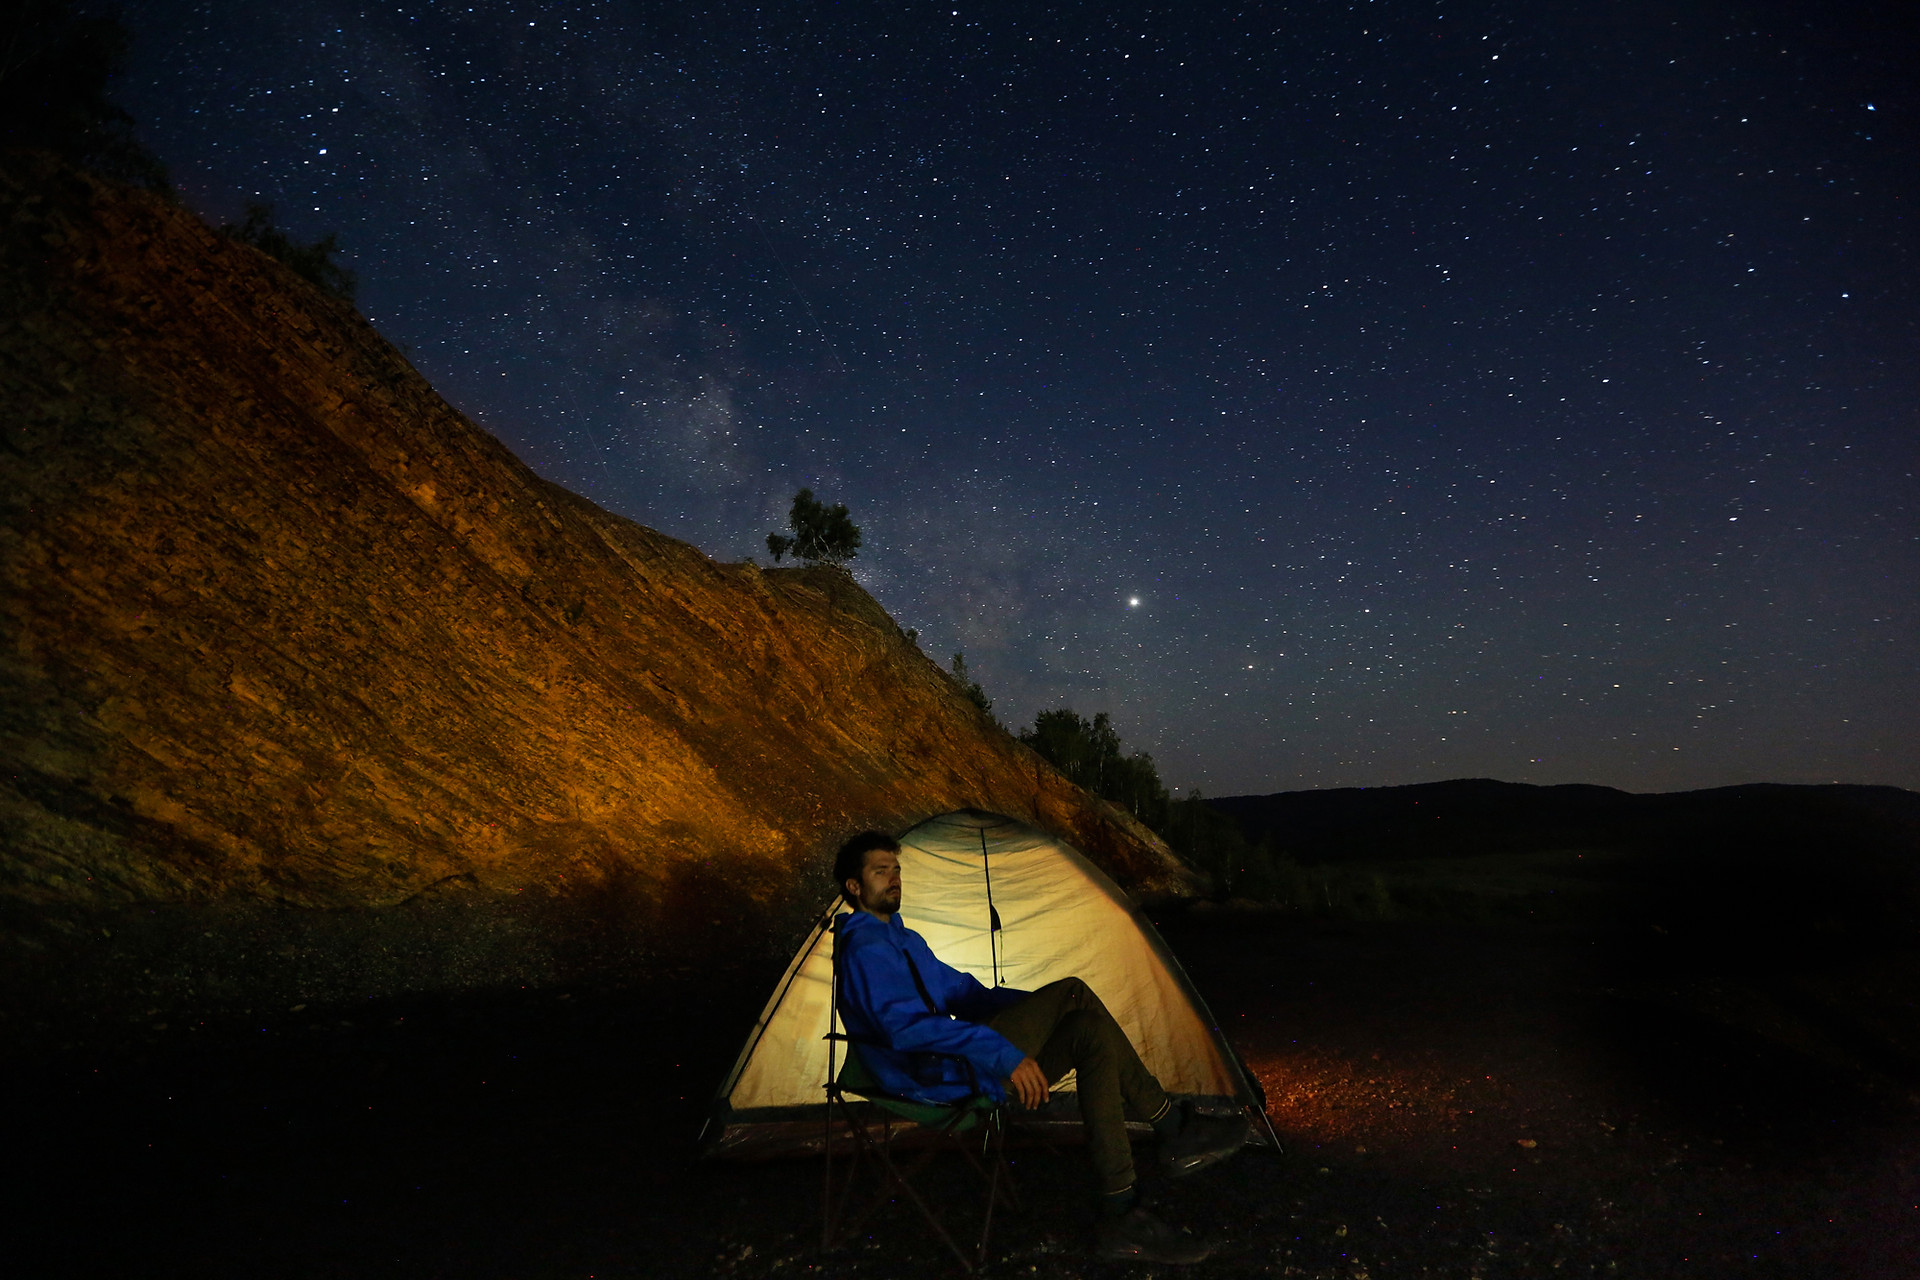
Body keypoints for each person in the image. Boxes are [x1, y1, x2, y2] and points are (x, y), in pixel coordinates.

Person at [831, 829, 1250, 1264]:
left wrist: (1035, 1009)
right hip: (931, 1077)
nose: (894, 879)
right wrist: (1005, 1051)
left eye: (897, 870)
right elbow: (904, 1030)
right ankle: (1172, 1130)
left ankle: (1121, 1211)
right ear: (855, 887)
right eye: (881, 872)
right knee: (1073, 993)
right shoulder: (863, 947)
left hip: (953, 1062)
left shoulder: (904, 939)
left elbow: (963, 993)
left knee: (1086, 1026)